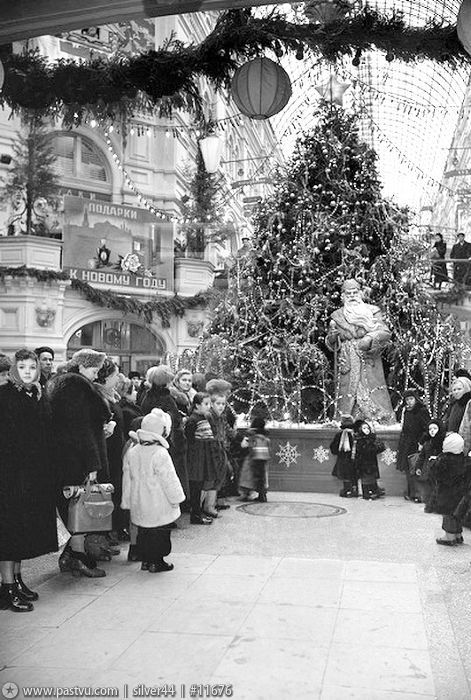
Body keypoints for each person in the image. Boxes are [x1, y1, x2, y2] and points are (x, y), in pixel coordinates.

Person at [0, 349, 58, 612]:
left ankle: (17, 580)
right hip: (11, 474)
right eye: (22, 367)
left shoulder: (37, 393)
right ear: (15, 369)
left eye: (31, 367)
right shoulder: (6, 396)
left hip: (32, 473)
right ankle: (7, 587)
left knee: (22, 531)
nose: (27, 372)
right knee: (10, 532)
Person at [48, 348, 113, 578]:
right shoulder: (77, 387)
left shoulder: (60, 384)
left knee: (72, 507)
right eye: (94, 370)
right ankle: (77, 557)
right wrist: (92, 464)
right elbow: (82, 430)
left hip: (62, 458)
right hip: (74, 460)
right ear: (82, 367)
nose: (96, 375)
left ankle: (71, 556)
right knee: (78, 509)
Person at [122, 409, 185, 572]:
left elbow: (127, 478)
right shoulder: (160, 453)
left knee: (145, 531)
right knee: (160, 532)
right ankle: (157, 562)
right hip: (158, 501)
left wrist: (127, 500)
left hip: (140, 501)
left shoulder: (133, 451)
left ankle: (147, 560)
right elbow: (169, 478)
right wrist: (176, 498)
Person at [325, 278, 395, 424]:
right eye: (348, 293)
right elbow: (331, 342)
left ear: (361, 294)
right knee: (347, 391)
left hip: (368, 357)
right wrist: (332, 338)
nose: (351, 296)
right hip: (347, 360)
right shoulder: (337, 316)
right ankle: (346, 417)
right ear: (343, 296)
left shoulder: (372, 311)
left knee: (371, 388)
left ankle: (377, 418)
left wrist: (369, 338)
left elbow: (385, 332)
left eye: (354, 292)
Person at [141, 365, 189, 502]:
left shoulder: (148, 396)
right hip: (170, 443)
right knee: (169, 479)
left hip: (155, 441)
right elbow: (174, 420)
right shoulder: (166, 398)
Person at [184, 392, 220, 525]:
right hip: (196, 458)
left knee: (199, 487)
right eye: (205, 404)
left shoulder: (203, 418)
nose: (208, 407)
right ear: (197, 405)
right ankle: (195, 515)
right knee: (196, 487)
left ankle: (197, 514)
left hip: (202, 456)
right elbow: (189, 440)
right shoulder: (193, 420)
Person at [430, 433, 468, 546]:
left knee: (447, 514)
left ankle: (449, 536)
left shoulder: (444, 459)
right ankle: (458, 535)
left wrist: (433, 461)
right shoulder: (464, 459)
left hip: (446, 494)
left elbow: (435, 471)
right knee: (457, 514)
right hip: (461, 493)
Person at [396, 389, 431, 501]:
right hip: (406, 444)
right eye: (407, 399)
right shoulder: (406, 411)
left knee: (416, 468)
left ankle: (417, 494)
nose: (409, 402)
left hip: (416, 444)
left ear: (416, 399)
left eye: (411, 399)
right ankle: (411, 492)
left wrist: (421, 441)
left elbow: (427, 428)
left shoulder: (421, 410)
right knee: (408, 469)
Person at [414, 420, 445, 512]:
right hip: (428, 469)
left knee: (438, 487)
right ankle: (430, 505)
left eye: (435, 428)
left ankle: (438, 506)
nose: (432, 431)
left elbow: (446, 454)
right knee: (428, 487)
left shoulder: (443, 442)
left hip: (439, 468)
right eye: (430, 429)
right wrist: (418, 467)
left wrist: (438, 458)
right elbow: (422, 456)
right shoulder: (427, 442)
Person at [353, 420, 385, 500]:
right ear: (360, 429)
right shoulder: (360, 440)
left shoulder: (371, 438)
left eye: (367, 428)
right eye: (364, 428)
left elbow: (380, 448)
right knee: (366, 478)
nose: (366, 430)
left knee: (372, 477)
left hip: (371, 462)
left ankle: (374, 491)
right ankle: (366, 493)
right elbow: (366, 450)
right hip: (363, 463)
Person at [330, 414, 358, 498]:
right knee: (354, 474)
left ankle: (347, 490)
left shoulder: (339, 434)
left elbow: (333, 448)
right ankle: (354, 490)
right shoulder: (355, 434)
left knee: (345, 475)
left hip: (343, 459)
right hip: (354, 458)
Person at [247, 415, 270, 503]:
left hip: (256, 458)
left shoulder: (254, 436)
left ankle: (261, 495)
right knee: (263, 477)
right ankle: (263, 495)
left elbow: (251, 446)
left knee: (258, 477)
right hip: (265, 458)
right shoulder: (265, 436)